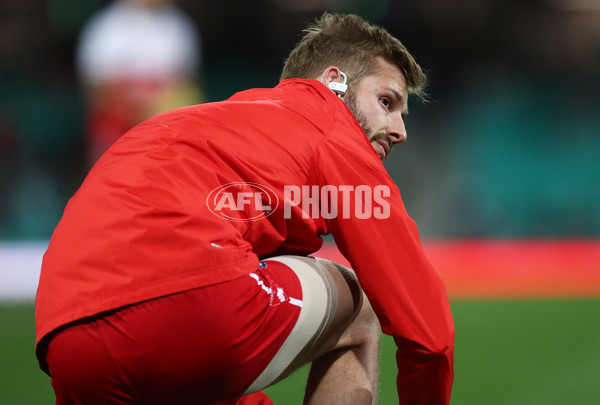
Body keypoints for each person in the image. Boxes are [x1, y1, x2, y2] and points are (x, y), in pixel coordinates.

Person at [36, 12, 454, 405]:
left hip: (65, 337)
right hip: (191, 304)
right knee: (359, 305)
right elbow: (428, 333)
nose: (400, 130)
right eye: (387, 101)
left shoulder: (209, 124)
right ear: (334, 82)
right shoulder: (329, 127)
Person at [76, 0, 204, 166]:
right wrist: (140, 112)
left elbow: (186, 83)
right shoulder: (107, 25)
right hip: (117, 125)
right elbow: (95, 89)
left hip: (164, 128)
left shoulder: (178, 26)